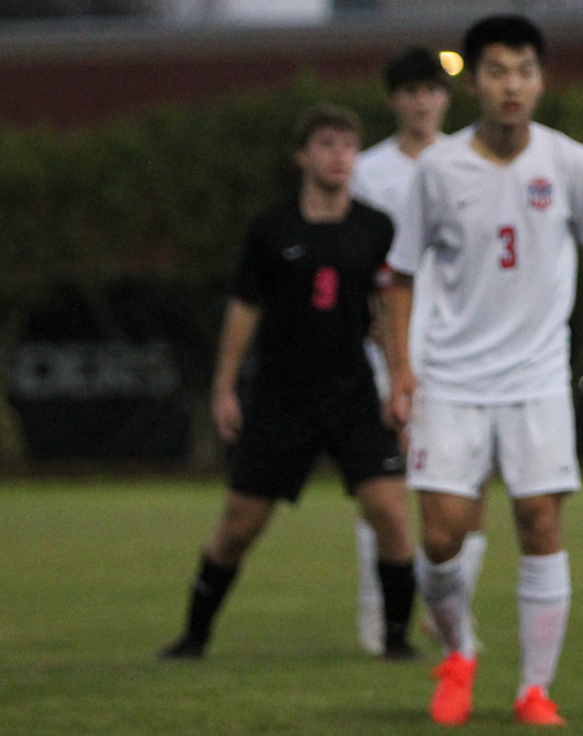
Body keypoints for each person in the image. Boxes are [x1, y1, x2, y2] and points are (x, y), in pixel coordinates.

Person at [383, 14, 583, 727]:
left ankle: (535, 689)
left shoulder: (572, 163)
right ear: (473, 82)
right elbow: (399, 275)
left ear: (541, 81)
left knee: (539, 523)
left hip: (536, 378)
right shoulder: (438, 169)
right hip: (451, 378)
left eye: (524, 71)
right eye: (497, 71)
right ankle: (458, 652)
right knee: (442, 536)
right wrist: (402, 367)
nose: (512, 85)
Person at [159, 105, 419, 662]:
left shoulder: (375, 228)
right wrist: (225, 387)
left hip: (352, 391)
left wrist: (400, 376)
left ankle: (397, 640)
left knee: (390, 513)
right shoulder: (272, 229)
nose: (339, 156)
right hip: (282, 395)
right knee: (238, 527)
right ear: (302, 155)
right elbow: (245, 307)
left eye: (348, 145)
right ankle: (194, 637)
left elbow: (388, 306)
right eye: (326, 144)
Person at [349, 47, 489, 657]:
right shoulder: (368, 172)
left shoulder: (471, 162)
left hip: (463, 349)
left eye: (431, 90)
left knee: (470, 488)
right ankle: (381, 609)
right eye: (410, 91)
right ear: (394, 100)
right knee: (389, 492)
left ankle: (449, 610)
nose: (422, 102)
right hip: (390, 347)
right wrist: (382, 346)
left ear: (446, 98)